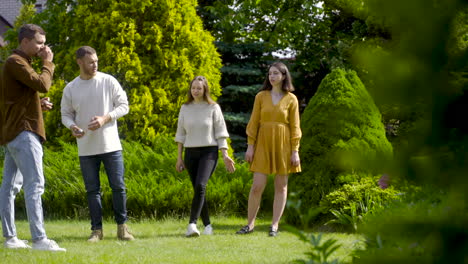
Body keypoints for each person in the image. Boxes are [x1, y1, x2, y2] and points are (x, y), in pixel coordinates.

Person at [0, 24, 66, 251]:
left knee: (9, 188)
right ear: (25, 41)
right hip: (24, 132)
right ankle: (39, 239)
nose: (43, 47)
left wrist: (38, 105)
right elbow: (43, 84)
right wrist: (48, 62)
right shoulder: (15, 62)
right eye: (39, 42)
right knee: (34, 185)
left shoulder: (19, 64)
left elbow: (16, 100)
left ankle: (10, 238)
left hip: (14, 132)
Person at [61, 46, 134, 242]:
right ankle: (96, 231)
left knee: (118, 187)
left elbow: (124, 106)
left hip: (111, 146)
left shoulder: (108, 81)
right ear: (79, 62)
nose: (95, 65)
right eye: (91, 62)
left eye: (96, 61)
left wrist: (105, 118)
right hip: (85, 148)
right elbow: (65, 115)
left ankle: (123, 228)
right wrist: (72, 126)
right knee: (92, 190)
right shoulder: (71, 88)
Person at [236, 62, 301, 237]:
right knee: (257, 186)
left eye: (275, 73)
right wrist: (250, 146)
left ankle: (274, 226)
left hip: (283, 145)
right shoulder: (261, 96)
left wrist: (295, 151)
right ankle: (249, 225)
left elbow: (295, 127)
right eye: (270, 73)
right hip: (262, 144)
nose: (271, 76)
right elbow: (253, 123)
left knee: (281, 187)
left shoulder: (291, 99)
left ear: (283, 76)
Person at [175, 76, 236, 237]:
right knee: (198, 189)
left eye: (199, 88)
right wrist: (179, 158)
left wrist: (225, 154)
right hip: (190, 154)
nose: (195, 91)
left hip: (209, 152)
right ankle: (208, 225)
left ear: (205, 90)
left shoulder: (213, 108)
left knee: (201, 186)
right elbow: (180, 134)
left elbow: (221, 132)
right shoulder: (185, 108)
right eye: (193, 88)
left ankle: (192, 224)